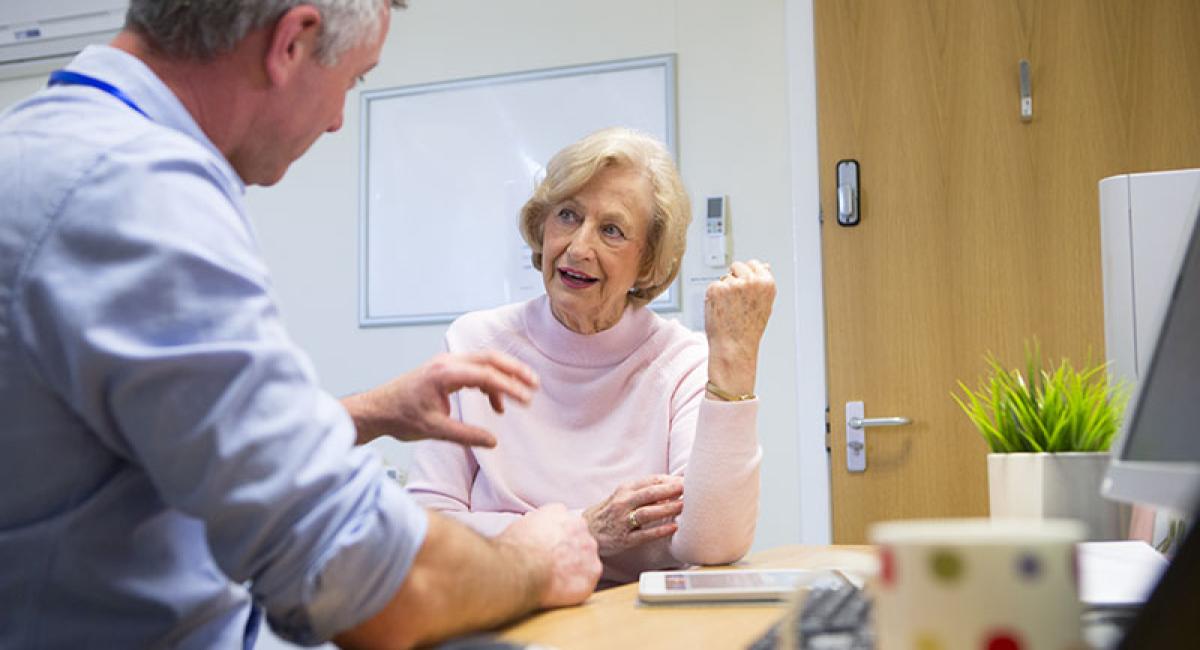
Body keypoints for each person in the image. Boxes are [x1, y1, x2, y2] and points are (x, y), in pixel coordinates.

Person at [0, 1, 602, 648]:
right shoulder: (139, 194)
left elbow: (152, 440)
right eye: (353, 80)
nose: (340, 118)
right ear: (292, 41)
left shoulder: (40, 143)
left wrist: (366, 411)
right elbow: (364, 582)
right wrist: (534, 561)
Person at [407, 127, 776, 584]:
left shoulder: (682, 361)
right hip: (501, 613)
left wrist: (734, 359)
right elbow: (425, 525)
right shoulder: (474, 344)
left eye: (612, 230)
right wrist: (584, 529)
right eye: (567, 215)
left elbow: (712, 543)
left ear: (647, 263)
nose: (579, 248)